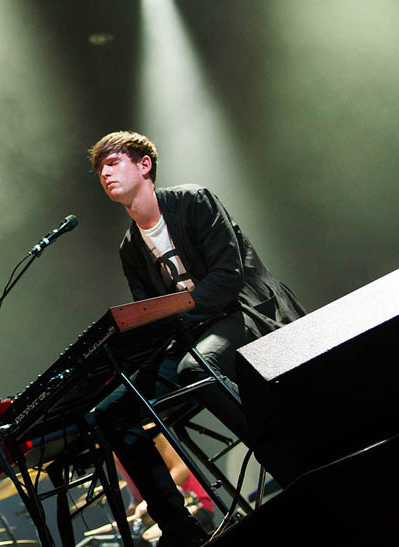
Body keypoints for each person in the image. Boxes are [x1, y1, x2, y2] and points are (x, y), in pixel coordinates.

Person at [86, 130, 305, 546]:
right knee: (111, 414)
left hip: (242, 310)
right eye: (99, 170)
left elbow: (227, 277)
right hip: (193, 334)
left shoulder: (192, 201)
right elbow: (150, 314)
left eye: (112, 163)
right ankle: (180, 528)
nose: (105, 174)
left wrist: (177, 320)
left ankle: (289, 463)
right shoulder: (129, 248)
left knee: (194, 368)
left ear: (144, 165)